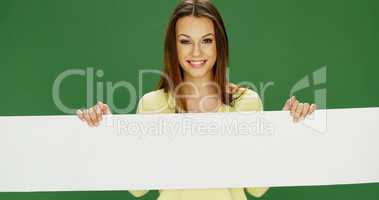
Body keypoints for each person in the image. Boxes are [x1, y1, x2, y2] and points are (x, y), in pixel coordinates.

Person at [76, 0, 316, 199]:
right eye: (185, 41)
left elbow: (257, 188)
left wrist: (285, 128)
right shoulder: (153, 104)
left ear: (219, 45)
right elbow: (138, 188)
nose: (196, 52)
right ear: (174, 46)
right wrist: (105, 131)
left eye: (206, 40)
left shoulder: (246, 102)